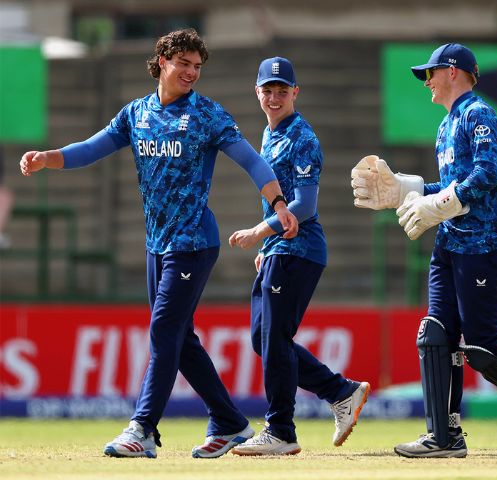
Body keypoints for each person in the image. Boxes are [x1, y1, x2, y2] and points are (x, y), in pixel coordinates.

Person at [19, 28, 299, 459]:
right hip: (158, 245)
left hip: (194, 243)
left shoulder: (206, 114)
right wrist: (47, 158)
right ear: (162, 62)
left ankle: (143, 428)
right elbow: (92, 149)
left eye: (197, 67)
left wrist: (278, 202)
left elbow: (250, 158)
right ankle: (229, 421)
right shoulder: (136, 113)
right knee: (180, 339)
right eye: (183, 63)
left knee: (164, 330)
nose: (191, 72)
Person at [351, 43, 497, 458]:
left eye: (431, 73)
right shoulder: (446, 124)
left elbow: (486, 176)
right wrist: (408, 189)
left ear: (453, 71)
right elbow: (454, 183)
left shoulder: (479, 115)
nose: (426, 82)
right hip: (450, 243)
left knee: (481, 345)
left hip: (482, 246)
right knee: (435, 334)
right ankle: (444, 436)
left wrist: (437, 205)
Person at [226, 57, 370, 456]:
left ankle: (281, 430)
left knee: (274, 339)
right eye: (267, 90)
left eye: (281, 91)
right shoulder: (269, 134)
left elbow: (304, 206)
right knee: (264, 339)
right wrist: (269, 244)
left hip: (299, 249)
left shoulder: (301, 137)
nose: (274, 98)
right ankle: (340, 392)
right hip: (281, 249)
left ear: (295, 93)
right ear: (257, 92)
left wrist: (260, 233)